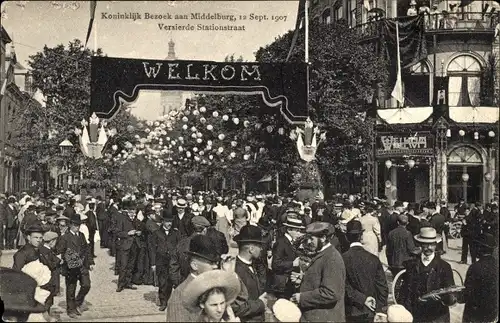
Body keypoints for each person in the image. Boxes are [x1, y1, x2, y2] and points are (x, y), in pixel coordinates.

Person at [399, 227, 456, 322]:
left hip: (437, 317)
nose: (429, 247)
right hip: (416, 315)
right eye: (426, 244)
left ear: (436, 245)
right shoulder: (411, 265)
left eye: (432, 244)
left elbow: (451, 295)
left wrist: (441, 297)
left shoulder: (445, 266)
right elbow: (404, 293)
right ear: (420, 244)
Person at [293, 222, 346, 322]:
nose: (308, 242)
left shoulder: (332, 258)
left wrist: (302, 298)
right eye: (307, 238)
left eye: (311, 239)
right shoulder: (323, 254)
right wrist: (303, 280)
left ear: (323, 238)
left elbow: (330, 293)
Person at [166, 235, 221, 322]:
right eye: (210, 262)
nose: (215, 266)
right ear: (194, 265)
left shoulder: (213, 288)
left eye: (216, 262)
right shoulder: (181, 296)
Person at [343, 220, 388, 322]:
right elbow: (383, 287)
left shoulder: (342, 259)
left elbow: (343, 286)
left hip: (350, 311)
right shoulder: (373, 259)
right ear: (361, 236)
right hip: (371, 311)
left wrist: (362, 299)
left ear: (346, 237)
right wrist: (380, 310)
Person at [55, 213, 94, 318]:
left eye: (78, 225)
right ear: (70, 225)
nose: (77, 227)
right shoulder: (65, 237)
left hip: (82, 265)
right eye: (75, 225)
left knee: (86, 285)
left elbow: (87, 249)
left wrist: (90, 262)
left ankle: (76, 303)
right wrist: (65, 259)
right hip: (70, 266)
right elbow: (59, 251)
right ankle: (70, 310)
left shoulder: (81, 235)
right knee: (71, 288)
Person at [460, 232, 498, 322]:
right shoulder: (496, 265)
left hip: (475, 315)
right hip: (492, 314)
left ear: (480, 248)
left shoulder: (475, 267)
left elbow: (466, 295)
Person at [233, 224, 268, 322]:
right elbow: (236, 307)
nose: (261, 249)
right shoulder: (235, 271)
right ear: (251, 249)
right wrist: (260, 304)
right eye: (259, 246)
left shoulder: (254, 265)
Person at [150, 211, 180, 311]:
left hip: (172, 262)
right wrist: (153, 263)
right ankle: (163, 302)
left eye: (170, 221)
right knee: (162, 282)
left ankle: (169, 299)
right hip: (160, 261)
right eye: (167, 221)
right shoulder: (156, 233)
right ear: (162, 222)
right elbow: (152, 249)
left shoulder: (176, 233)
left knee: (171, 282)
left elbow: (179, 247)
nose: (169, 224)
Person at [170, 215, 212, 286]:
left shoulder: (182, 243)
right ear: (204, 230)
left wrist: (178, 283)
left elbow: (173, 265)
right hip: (201, 285)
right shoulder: (209, 245)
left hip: (183, 283)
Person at [271, 213, 305, 299]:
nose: (299, 233)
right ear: (289, 230)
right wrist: (293, 264)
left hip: (288, 282)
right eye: (297, 230)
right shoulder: (281, 242)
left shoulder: (291, 242)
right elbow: (275, 264)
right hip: (281, 284)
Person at [115, 199, 145, 292]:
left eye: (134, 211)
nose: (133, 213)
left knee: (131, 265)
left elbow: (140, 229)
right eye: (131, 211)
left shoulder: (136, 220)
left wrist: (139, 233)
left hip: (134, 245)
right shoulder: (122, 219)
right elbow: (117, 232)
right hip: (125, 245)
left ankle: (128, 282)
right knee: (123, 266)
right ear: (128, 211)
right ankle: (120, 284)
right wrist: (128, 233)